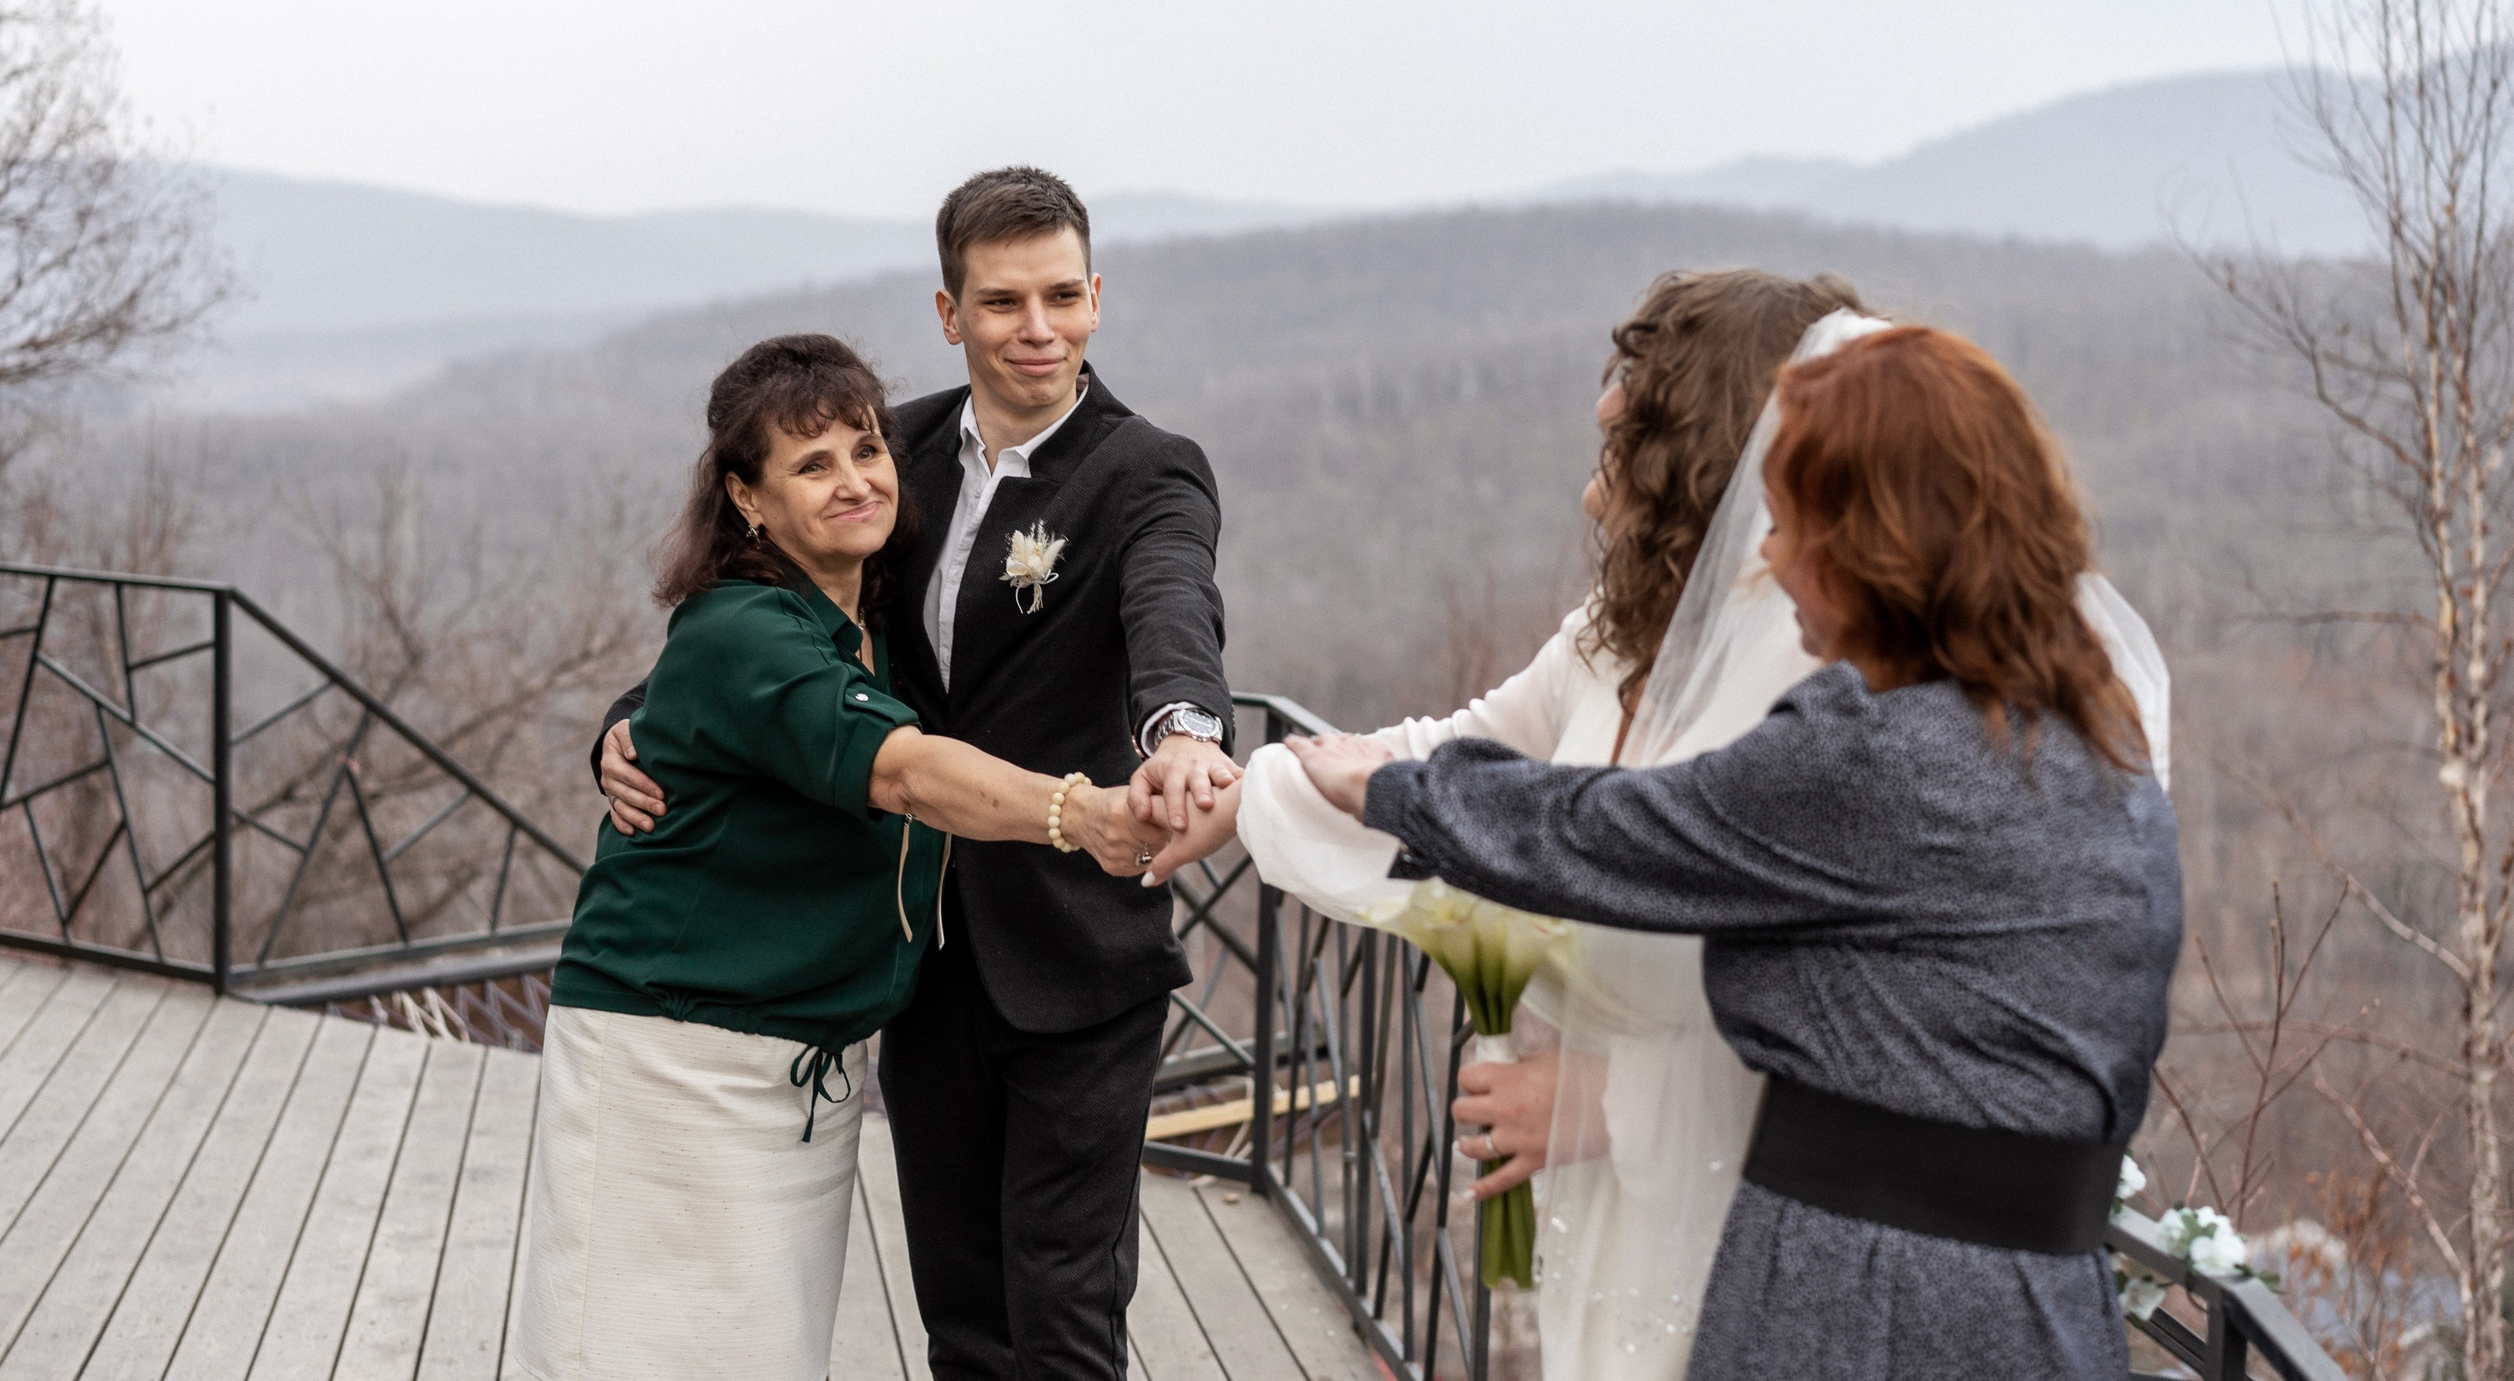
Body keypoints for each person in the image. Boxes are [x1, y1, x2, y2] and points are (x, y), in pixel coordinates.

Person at [1280, 324, 2184, 1381]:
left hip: (1866, 1304)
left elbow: (1611, 834)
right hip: (2046, 1308)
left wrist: (1391, 789)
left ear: (1877, 543)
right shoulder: (2091, 736)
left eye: (1792, 525)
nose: (1770, 558)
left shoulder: (1875, 759)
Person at [1136, 267, 1885, 1379]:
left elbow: (1861, 1019)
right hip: (1603, 1206)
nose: (1592, 495)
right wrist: (1249, 796)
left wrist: (1606, 1103)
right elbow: (1455, 756)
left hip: (1747, 1226)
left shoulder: (1830, 682)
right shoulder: (1613, 633)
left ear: (1702, 463)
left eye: (1621, 450)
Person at [592, 168, 1238, 1380]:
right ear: (950, 312)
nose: (1036, 328)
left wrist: (1186, 731)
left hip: (1076, 954)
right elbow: (780, 610)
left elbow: (1172, 605)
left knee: (1063, 1314)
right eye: (1002, 302)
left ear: (1096, 298)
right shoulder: (895, 457)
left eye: (1061, 296)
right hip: (920, 959)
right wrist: (640, 718)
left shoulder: (1146, 470)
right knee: (961, 1315)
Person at [511, 333, 1153, 1381]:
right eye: (812, 464)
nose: (855, 480)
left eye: (866, 449)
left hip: (806, 1073)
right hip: (672, 1060)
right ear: (746, 497)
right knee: (631, 1355)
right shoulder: (743, 629)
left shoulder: (870, 617)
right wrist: (1079, 813)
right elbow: (902, 770)